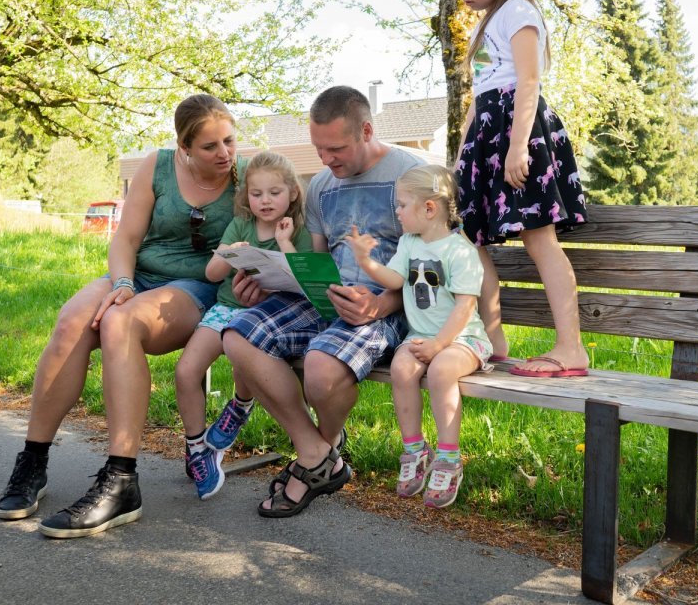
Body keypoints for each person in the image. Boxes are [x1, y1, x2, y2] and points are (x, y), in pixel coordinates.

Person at [0, 94, 243, 538]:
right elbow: (126, 239)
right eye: (210, 146)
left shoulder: (246, 177)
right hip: (140, 275)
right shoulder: (158, 166)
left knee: (120, 322)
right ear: (184, 147)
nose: (224, 153)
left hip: (200, 287)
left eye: (229, 141)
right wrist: (124, 284)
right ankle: (33, 461)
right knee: (73, 320)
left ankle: (122, 479)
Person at [222, 85, 422, 518]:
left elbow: (437, 269)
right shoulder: (322, 186)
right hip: (327, 299)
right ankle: (314, 453)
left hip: (389, 304)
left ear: (366, 130)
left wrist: (382, 306)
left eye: (335, 148)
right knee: (238, 335)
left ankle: (318, 456)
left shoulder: (414, 176)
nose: (326, 160)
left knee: (319, 367)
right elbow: (316, 262)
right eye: (318, 149)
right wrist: (266, 282)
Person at [446, 0, 590, 378]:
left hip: (517, 133)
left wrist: (518, 148)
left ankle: (571, 348)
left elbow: (528, 81)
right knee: (470, 236)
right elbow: (481, 94)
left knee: (539, 239)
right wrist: (460, 156)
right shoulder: (489, 22)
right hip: (488, 133)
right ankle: (493, 339)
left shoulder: (518, 12)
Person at [347, 165, 492, 508]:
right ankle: (414, 448)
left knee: (442, 370)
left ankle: (449, 457)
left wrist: (440, 344)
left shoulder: (461, 252)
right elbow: (394, 281)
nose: (396, 212)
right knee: (401, 369)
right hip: (421, 335)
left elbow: (464, 308)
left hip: (463, 338)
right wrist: (366, 262)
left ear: (428, 208)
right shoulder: (409, 243)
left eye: (401, 205)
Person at [175, 151, 313, 500]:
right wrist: (230, 252)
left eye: (274, 192)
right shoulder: (240, 226)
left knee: (245, 349)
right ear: (246, 196)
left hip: (268, 317)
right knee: (186, 371)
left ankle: (239, 404)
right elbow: (211, 273)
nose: (265, 201)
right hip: (226, 307)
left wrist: (283, 243)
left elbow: (307, 282)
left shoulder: (299, 230)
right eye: (256, 194)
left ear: (292, 193)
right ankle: (198, 450)